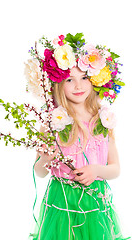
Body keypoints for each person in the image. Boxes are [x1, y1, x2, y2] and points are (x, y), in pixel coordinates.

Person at [26, 33, 130, 240]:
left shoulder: (103, 120)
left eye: (84, 78)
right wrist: (46, 158)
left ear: (94, 80)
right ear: (56, 84)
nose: (78, 86)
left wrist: (96, 170)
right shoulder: (52, 122)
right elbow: (39, 172)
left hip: (95, 202)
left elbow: (115, 168)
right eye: (69, 80)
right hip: (61, 200)